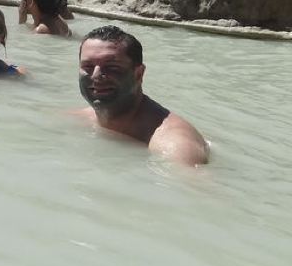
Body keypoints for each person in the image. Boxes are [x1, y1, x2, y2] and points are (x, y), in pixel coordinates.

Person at [77, 25, 208, 166]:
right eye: (88, 67)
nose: (96, 76)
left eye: (112, 67)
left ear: (139, 74)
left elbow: (194, 184)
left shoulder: (174, 144)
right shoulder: (82, 118)